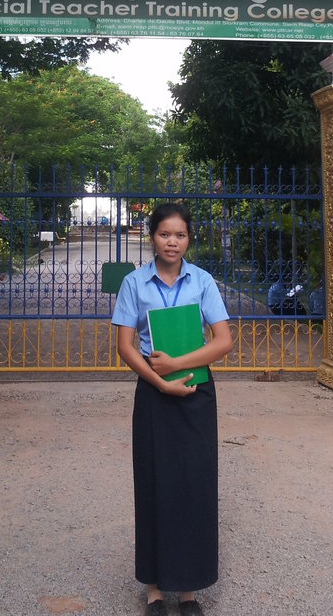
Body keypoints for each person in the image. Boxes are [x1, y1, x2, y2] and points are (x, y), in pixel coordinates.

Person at [111, 202, 233, 616]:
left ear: (188, 239)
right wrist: (160, 380)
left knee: (194, 485)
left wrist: (177, 366)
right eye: (165, 234)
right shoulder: (134, 283)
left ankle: (189, 592)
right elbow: (126, 345)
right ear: (152, 237)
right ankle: (154, 591)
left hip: (197, 392)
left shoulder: (203, 281)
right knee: (153, 483)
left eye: (180, 235)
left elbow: (223, 341)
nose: (172, 242)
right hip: (153, 393)